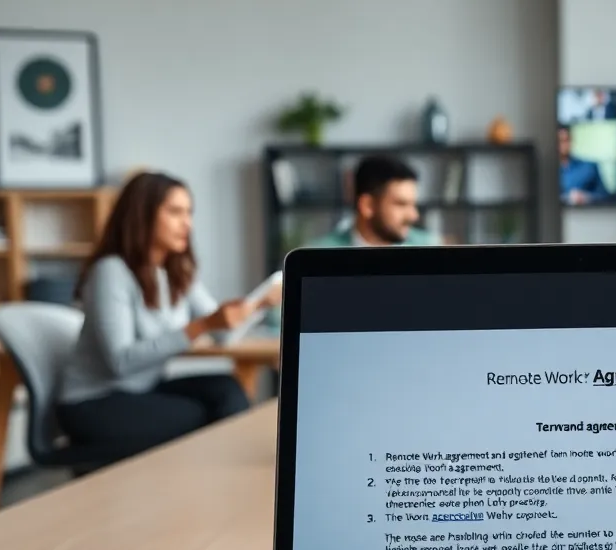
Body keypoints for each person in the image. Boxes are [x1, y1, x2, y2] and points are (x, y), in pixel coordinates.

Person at [57, 172, 282, 461]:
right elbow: (120, 362)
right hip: (93, 403)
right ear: (143, 215)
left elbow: (222, 333)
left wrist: (259, 304)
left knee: (228, 390)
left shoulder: (176, 273)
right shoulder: (111, 272)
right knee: (204, 415)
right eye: (175, 212)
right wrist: (201, 326)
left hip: (142, 390)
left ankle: (224, 486)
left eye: (189, 213)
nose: (187, 223)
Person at [308, 155, 438, 248]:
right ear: (367, 205)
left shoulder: (430, 248)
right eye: (401, 204)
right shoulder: (320, 255)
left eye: (413, 204)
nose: (413, 216)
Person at [558, 124, 607, 205]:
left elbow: (604, 195)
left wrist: (586, 197)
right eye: (560, 141)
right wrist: (566, 198)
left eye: (566, 140)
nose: (563, 146)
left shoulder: (589, 167)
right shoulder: (545, 172)